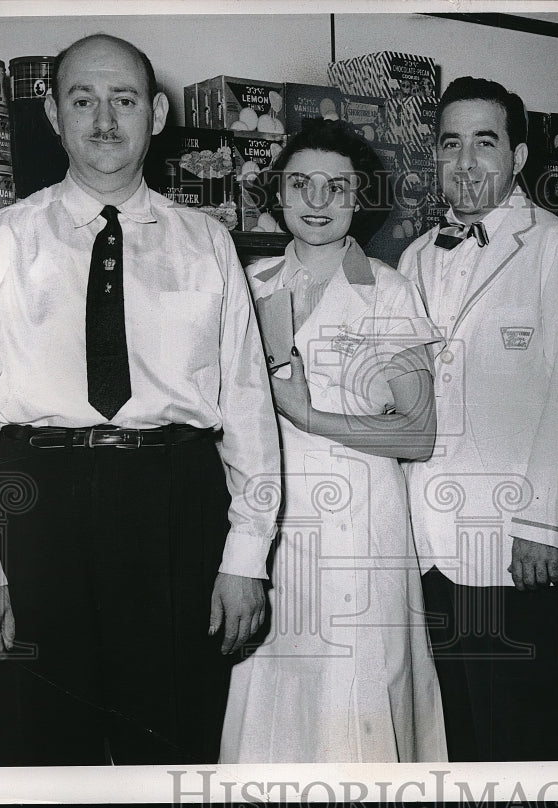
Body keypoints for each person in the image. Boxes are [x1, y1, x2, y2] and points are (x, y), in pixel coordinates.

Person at [0, 34, 280, 765]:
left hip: (177, 506)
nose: (104, 120)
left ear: (156, 112)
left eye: (123, 100)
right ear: (54, 115)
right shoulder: (0, 241)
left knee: (174, 747)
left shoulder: (208, 242)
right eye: (82, 100)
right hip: (34, 505)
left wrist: (247, 556)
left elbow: (248, 407)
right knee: (36, 751)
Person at [397, 77, 558, 761]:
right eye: (451, 143)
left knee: (530, 747)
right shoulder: (412, 259)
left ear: (519, 157)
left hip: (522, 553)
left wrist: (546, 526)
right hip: (433, 549)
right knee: (462, 743)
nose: (465, 162)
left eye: (485, 142)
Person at [220, 120, 448, 763]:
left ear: (359, 198)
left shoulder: (388, 290)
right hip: (273, 522)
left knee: (357, 694)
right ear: (279, 193)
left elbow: (418, 433)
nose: (317, 201)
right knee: (277, 693)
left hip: (361, 524)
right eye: (301, 184)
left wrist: (310, 415)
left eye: (336, 187)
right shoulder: (249, 284)